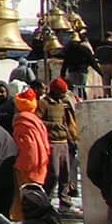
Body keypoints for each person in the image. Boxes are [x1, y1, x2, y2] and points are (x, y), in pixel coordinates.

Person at [37, 78, 80, 209]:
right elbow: (38, 120)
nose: (64, 95)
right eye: (61, 93)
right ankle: (46, 199)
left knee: (65, 174)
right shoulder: (44, 103)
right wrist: (54, 126)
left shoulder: (63, 103)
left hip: (64, 142)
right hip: (52, 143)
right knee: (54, 174)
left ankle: (65, 200)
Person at [11, 87, 52, 201]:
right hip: (41, 162)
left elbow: (26, 146)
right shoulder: (37, 121)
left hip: (26, 166)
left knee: (24, 196)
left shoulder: (20, 121)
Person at [62, 31, 100, 96]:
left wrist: (62, 73)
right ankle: (83, 101)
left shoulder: (69, 50)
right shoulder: (84, 49)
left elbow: (65, 62)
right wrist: (100, 72)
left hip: (72, 71)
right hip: (82, 72)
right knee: (82, 89)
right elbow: (92, 61)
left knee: (73, 89)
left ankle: (75, 102)